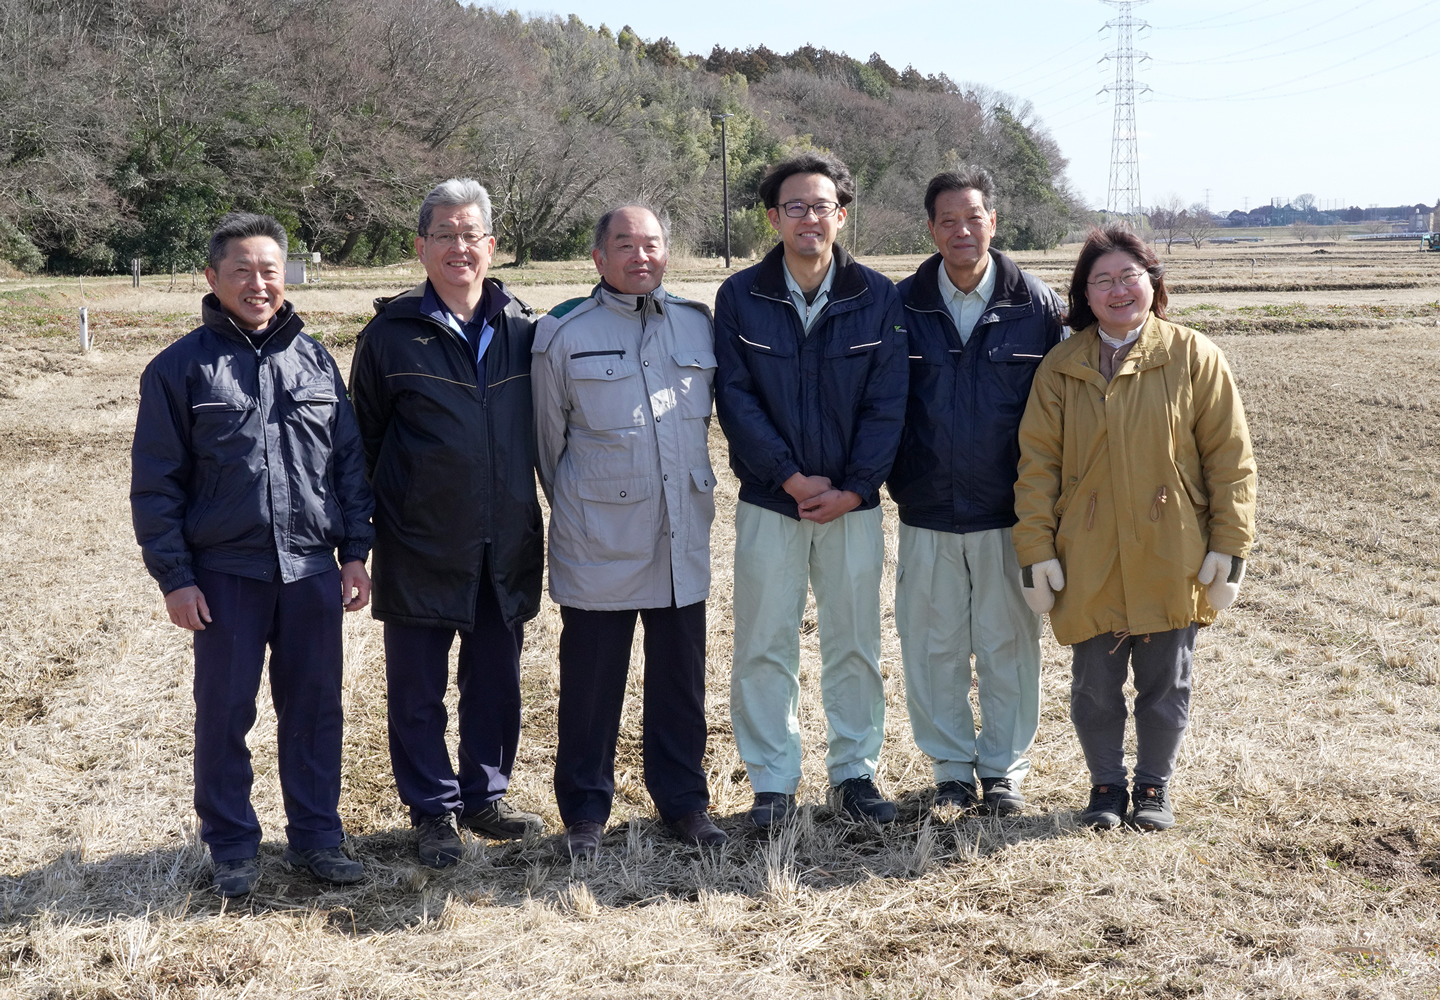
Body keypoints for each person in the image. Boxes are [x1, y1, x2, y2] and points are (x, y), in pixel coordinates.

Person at [130, 213, 374, 897]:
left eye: (270, 270)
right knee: (225, 712)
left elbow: (348, 465)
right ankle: (233, 845)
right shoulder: (178, 369)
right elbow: (155, 485)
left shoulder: (316, 358)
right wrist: (175, 579)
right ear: (212, 278)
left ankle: (318, 838)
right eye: (242, 270)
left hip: (310, 572)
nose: (258, 283)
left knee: (317, 710)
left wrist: (354, 552)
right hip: (226, 575)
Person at [1012, 224, 1256, 832]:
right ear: (1084, 297)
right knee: (1094, 683)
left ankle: (1153, 786)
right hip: (1088, 550)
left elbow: (1230, 457)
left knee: (1165, 679)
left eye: (1129, 276)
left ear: (1153, 282)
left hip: (1171, 546)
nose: (1118, 290)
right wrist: (1035, 549)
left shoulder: (1193, 355)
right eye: (1103, 281)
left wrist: (1231, 545)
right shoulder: (1061, 368)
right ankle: (1104, 787)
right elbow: (1037, 466)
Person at [349, 178, 546, 868]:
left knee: (496, 680)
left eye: (471, 235)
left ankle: (484, 796)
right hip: (420, 540)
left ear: (491, 245)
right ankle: (432, 809)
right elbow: (360, 448)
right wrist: (357, 544)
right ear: (421, 246)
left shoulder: (527, 329)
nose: (459, 247)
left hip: (507, 539)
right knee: (417, 689)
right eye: (445, 235)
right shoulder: (390, 335)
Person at [714, 151, 908, 827]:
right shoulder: (741, 296)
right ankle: (772, 781)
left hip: (853, 507)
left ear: (841, 215)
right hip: (773, 501)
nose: (808, 218)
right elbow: (736, 401)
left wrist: (854, 489)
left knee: (854, 641)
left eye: (821, 206)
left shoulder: (877, 296)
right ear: (773, 218)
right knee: (765, 641)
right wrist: (791, 478)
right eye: (793, 206)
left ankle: (854, 774)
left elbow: (889, 404)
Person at [532, 204, 725, 857]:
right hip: (598, 538)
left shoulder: (698, 328)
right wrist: (591, 504)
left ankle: (684, 802)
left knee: (680, 681)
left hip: (681, 532)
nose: (640, 256)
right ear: (598, 257)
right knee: (591, 684)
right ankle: (584, 812)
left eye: (652, 245)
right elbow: (546, 445)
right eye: (625, 245)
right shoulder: (562, 334)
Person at [888, 169, 1066, 817]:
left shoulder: (1038, 308)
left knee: (1007, 647)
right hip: (927, 510)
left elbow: (1062, 414)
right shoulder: (902, 306)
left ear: (994, 220)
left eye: (974, 217)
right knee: (930, 648)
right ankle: (950, 769)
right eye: (948, 221)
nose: (962, 231)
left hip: (1007, 514)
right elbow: (883, 406)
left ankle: (1004, 771)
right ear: (931, 229)